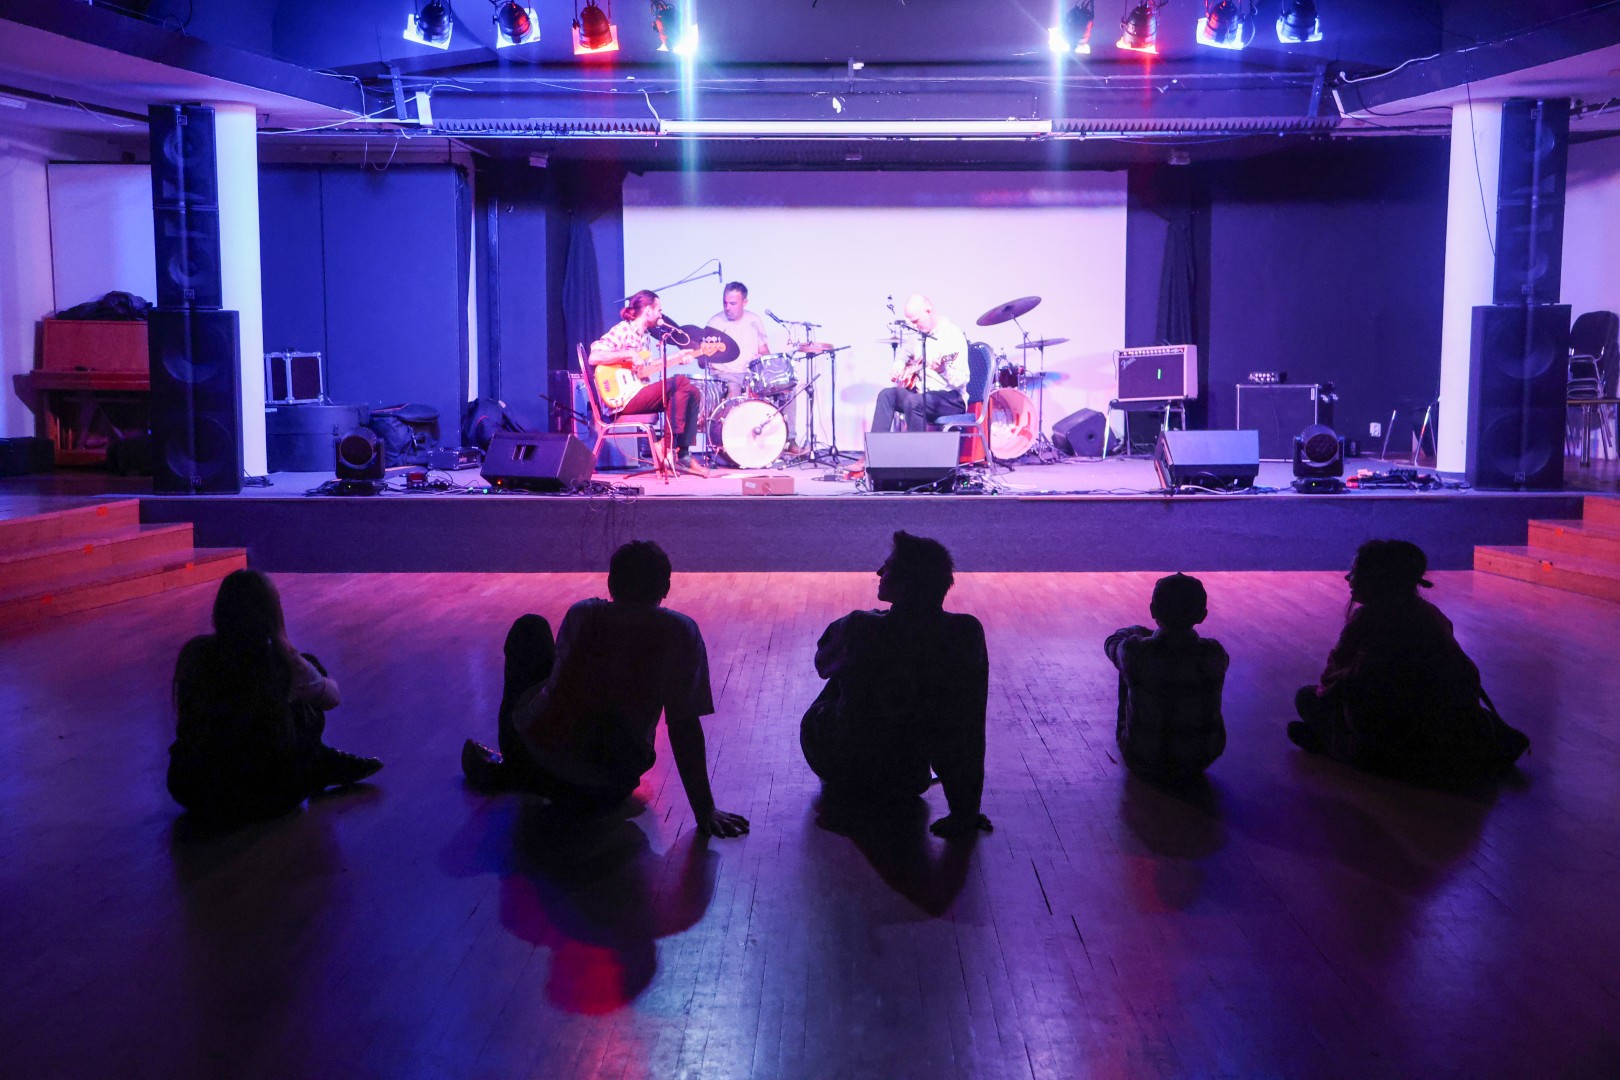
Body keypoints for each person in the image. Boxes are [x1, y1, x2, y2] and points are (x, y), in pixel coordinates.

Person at [462, 540, 750, 838]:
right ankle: (524, 775)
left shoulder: (581, 613)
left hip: (541, 764)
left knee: (530, 628)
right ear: (665, 587)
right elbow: (684, 725)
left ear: (611, 582)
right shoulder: (679, 631)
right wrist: (705, 810)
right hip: (609, 788)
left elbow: (562, 682)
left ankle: (516, 768)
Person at [1289, 539, 1531, 786]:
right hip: (1448, 732)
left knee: (1306, 698)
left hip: (1396, 741)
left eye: (1356, 573)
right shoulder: (1431, 615)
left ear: (1377, 579)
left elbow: (1332, 685)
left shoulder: (1367, 620)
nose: (1349, 579)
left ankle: (1330, 745)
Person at [800, 531, 991, 839]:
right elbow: (969, 728)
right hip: (909, 779)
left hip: (840, 767)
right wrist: (965, 811)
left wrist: (872, 627)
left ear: (904, 584)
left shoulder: (859, 625)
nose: (879, 572)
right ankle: (953, 799)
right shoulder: (967, 633)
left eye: (887, 567)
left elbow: (822, 663)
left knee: (845, 671)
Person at [167, 569, 382, 820]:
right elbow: (332, 698)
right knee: (304, 702)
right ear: (272, 614)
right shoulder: (283, 665)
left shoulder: (194, 654)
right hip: (260, 795)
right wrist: (291, 654)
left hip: (191, 789)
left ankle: (319, 760)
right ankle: (319, 761)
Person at [1104, 573, 1229, 783]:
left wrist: (1140, 633)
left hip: (1143, 758)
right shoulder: (1214, 653)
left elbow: (1112, 643)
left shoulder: (1136, 652)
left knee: (1126, 666)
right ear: (1202, 615)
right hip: (1201, 758)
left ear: (1152, 610)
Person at [589, 289, 708, 475]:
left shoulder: (645, 337)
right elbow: (594, 357)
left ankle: (683, 453)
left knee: (693, 392)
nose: (661, 315)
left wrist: (677, 357)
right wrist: (629, 353)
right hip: (622, 399)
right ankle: (667, 448)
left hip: (638, 392)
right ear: (647, 310)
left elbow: (645, 369)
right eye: (659, 310)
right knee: (681, 381)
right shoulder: (623, 330)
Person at [705, 281, 803, 456]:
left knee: (788, 389)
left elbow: (764, 351)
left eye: (733, 303)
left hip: (750, 375)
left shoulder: (754, 320)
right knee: (733, 391)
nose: (727, 307)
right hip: (726, 375)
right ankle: (732, 448)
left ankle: (789, 441)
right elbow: (704, 359)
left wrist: (764, 360)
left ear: (745, 302)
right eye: (725, 303)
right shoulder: (715, 322)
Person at [870, 294, 971, 434]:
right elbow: (904, 352)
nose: (914, 326)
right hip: (921, 394)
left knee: (913, 402)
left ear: (928, 311)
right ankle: (876, 447)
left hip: (951, 398)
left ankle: (915, 448)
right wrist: (899, 364)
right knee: (886, 395)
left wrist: (943, 370)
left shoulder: (952, 335)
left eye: (916, 321)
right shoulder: (918, 334)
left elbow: (961, 381)